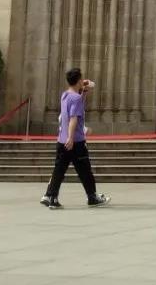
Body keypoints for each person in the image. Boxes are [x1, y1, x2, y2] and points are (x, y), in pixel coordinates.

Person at [40, 67, 110, 210]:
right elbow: (73, 118)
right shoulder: (76, 98)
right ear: (79, 81)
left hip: (62, 140)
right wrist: (71, 138)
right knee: (85, 171)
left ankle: (51, 197)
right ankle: (92, 197)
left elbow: (75, 108)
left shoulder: (65, 95)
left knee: (59, 170)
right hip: (76, 142)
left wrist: (83, 92)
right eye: (81, 79)